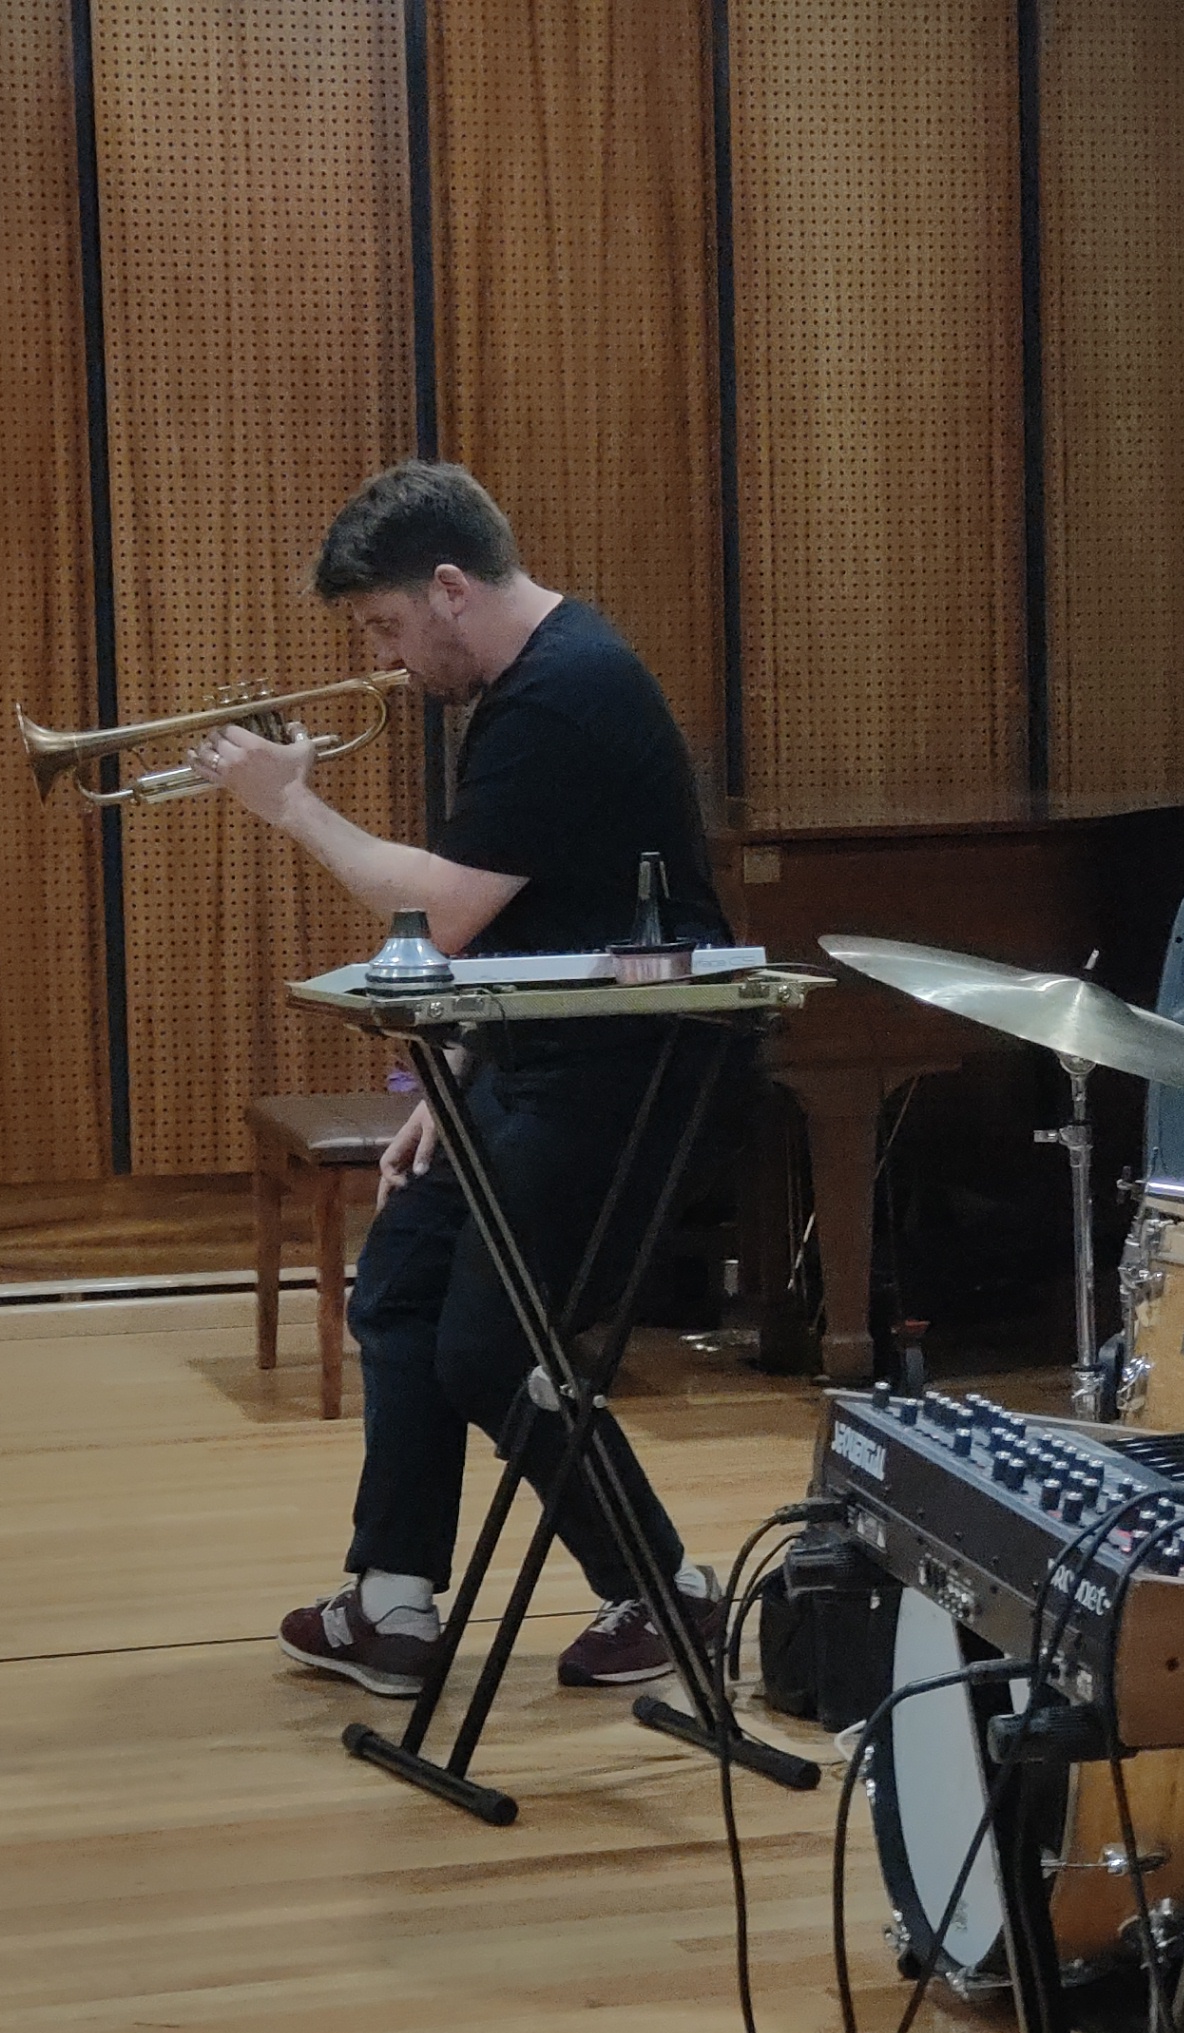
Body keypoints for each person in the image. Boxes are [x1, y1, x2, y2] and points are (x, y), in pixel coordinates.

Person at [203, 461, 735, 1698]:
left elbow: (440, 917)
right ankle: (391, 1601)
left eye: (387, 628)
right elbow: (530, 914)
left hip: (623, 1075)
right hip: (537, 1055)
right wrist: (445, 1082)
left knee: (493, 1351)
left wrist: (294, 810)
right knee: (397, 1295)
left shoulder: (561, 696)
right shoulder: (531, 689)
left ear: (449, 589)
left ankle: (666, 1598)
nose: (385, 662)